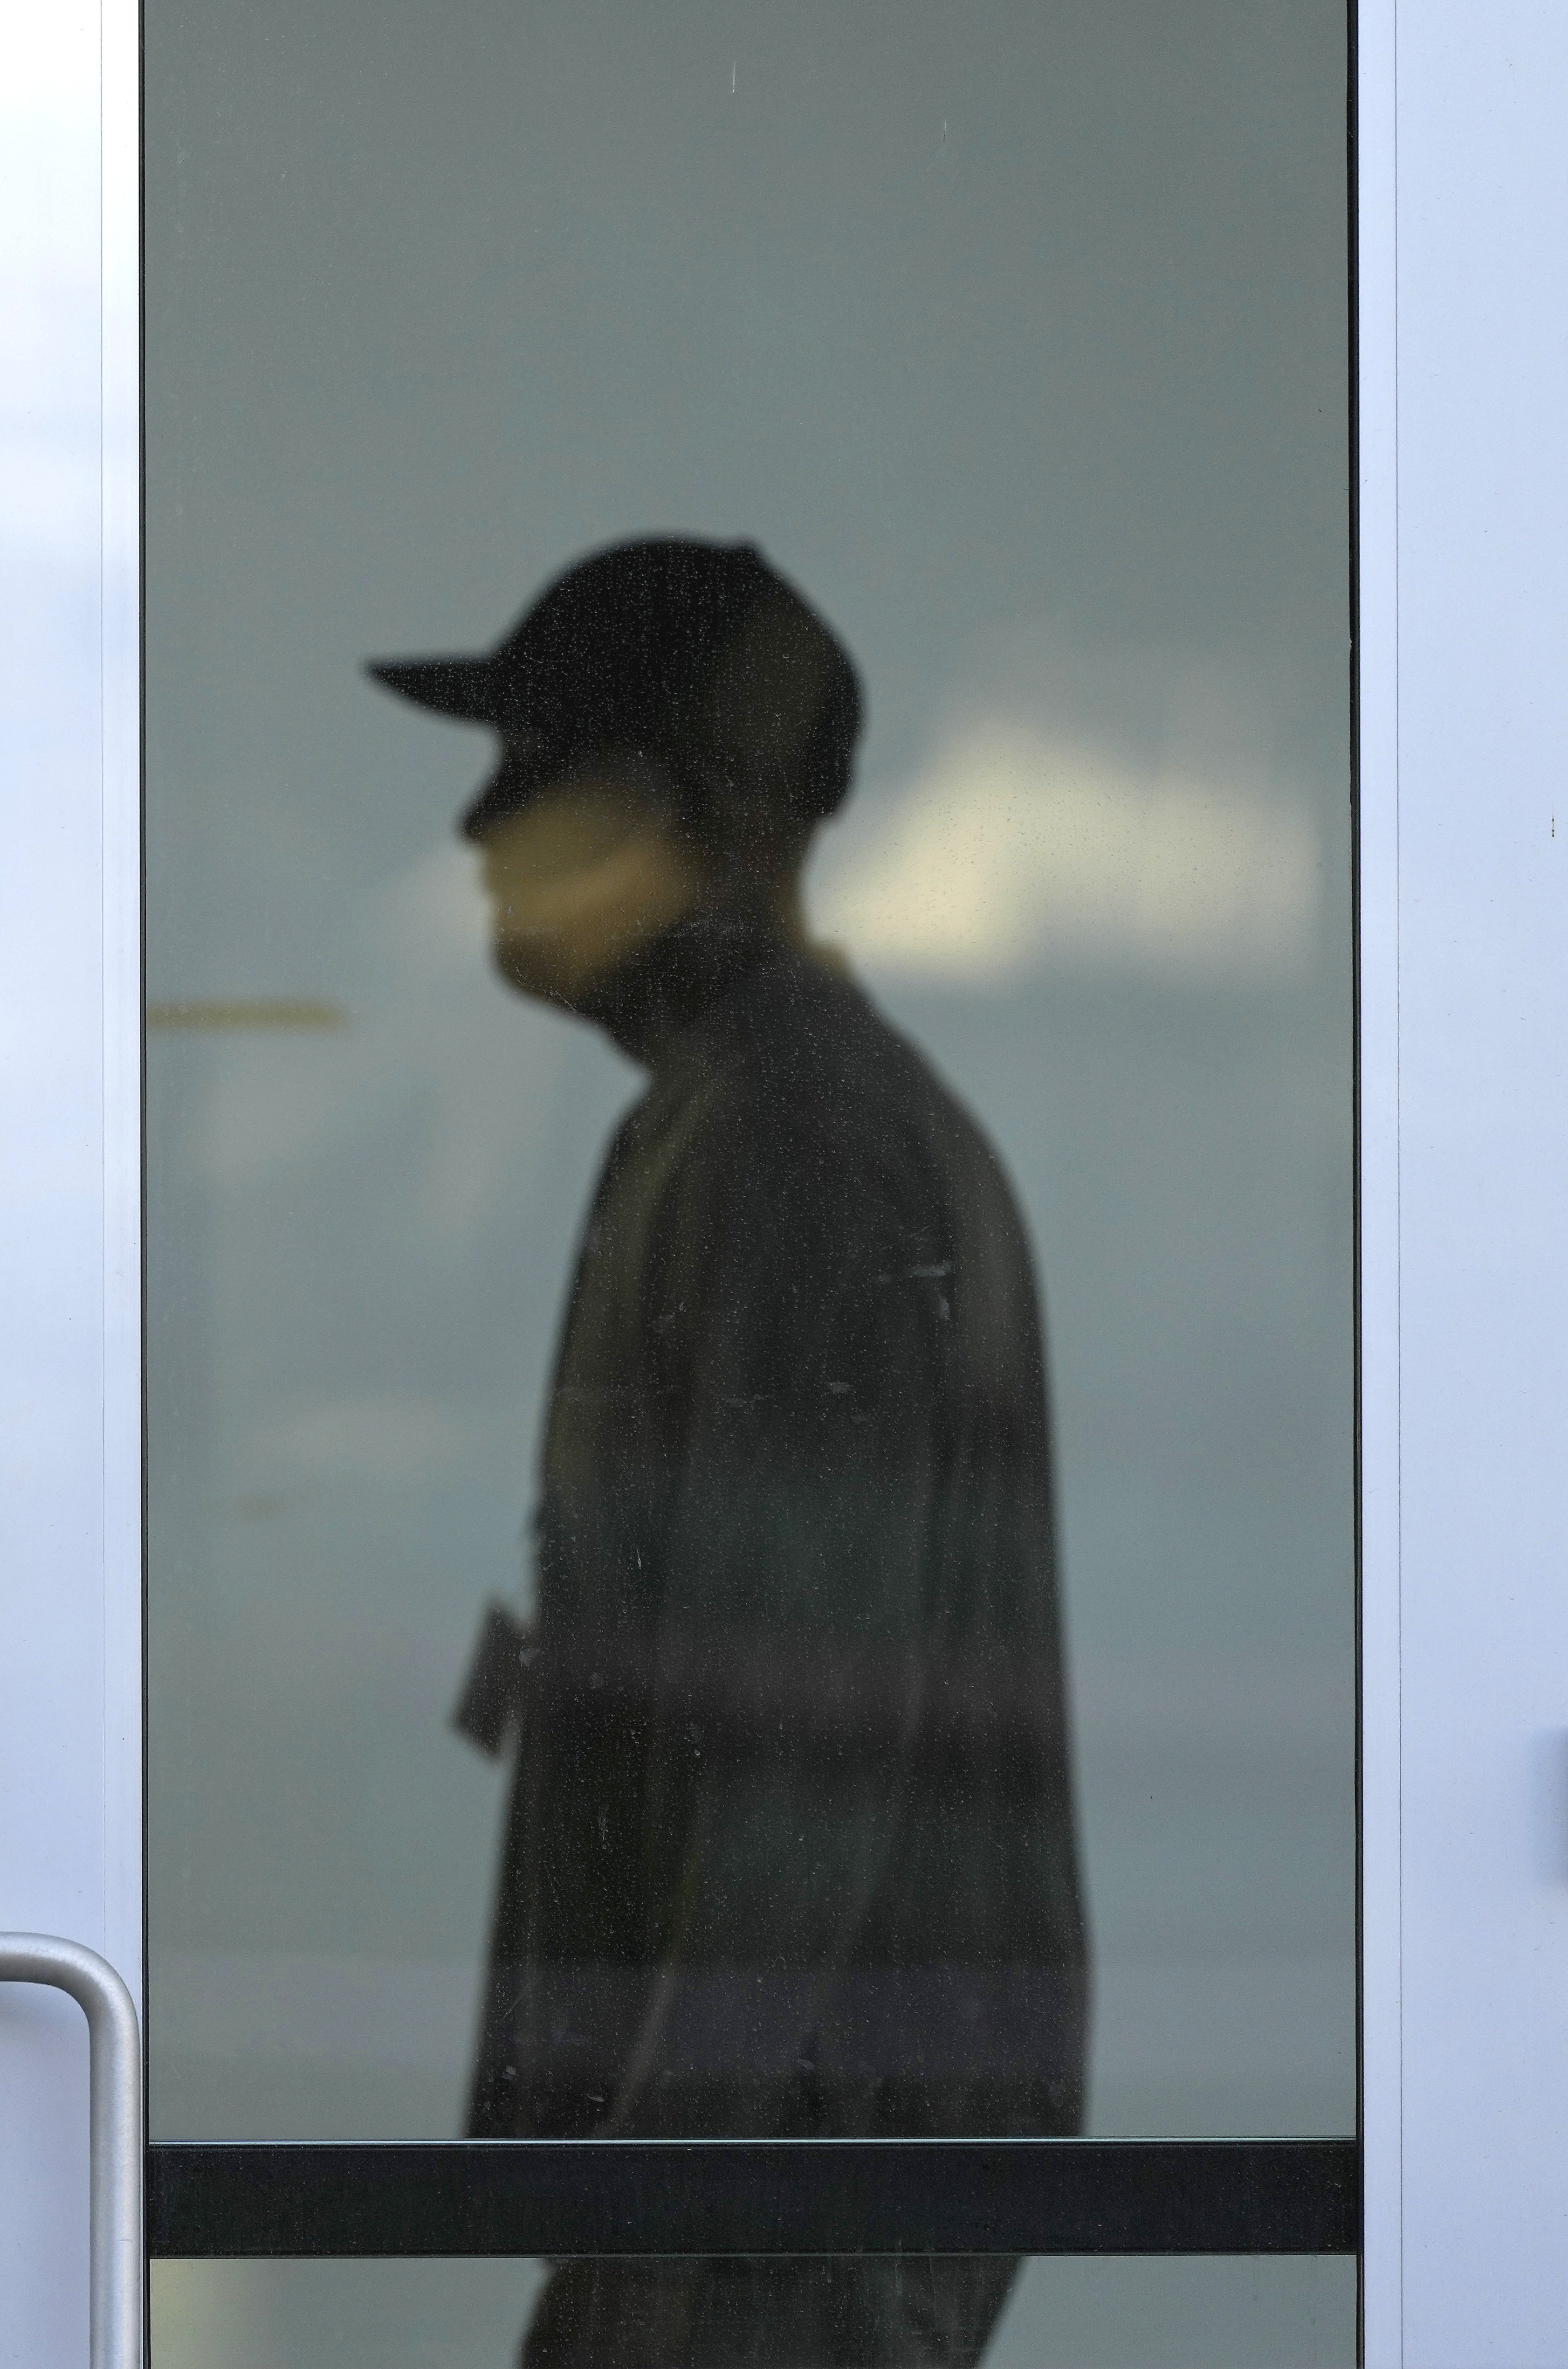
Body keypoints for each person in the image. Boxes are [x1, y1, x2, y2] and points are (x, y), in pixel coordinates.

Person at [371, 537, 1089, 2369]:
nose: (478, 825)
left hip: (777, 2218)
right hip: (753, 2195)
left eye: (529, 765)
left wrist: (654, 2226)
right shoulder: (734, 1126)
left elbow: (804, 1750)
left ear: (668, 808)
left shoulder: (802, 1148)